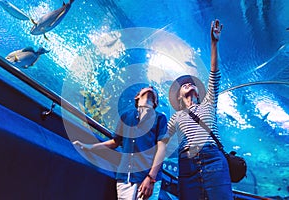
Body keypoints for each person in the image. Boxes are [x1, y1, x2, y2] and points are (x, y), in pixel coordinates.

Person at [166, 19, 233, 199]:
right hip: (186, 162)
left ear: (198, 92)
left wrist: (214, 43)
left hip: (213, 157)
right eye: (183, 85)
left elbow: (214, 73)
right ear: (179, 96)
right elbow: (162, 139)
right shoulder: (176, 117)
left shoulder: (208, 103)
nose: (187, 83)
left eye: (191, 82)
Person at [73, 86, 168, 200]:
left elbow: (162, 148)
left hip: (148, 178)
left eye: (154, 90)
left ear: (155, 102)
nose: (150, 87)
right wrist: (89, 147)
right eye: (146, 87)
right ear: (137, 96)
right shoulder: (125, 116)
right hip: (125, 177)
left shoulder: (160, 118)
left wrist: (151, 177)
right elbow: (115, 142)